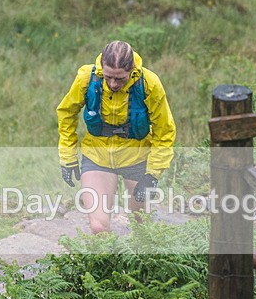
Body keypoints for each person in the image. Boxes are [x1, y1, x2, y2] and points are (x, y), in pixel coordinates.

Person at [56, 41, 176, 234]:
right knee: (98, 227)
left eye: (120, 79)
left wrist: (153, 174)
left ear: (132, 70)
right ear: (102, 66)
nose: (113, 84)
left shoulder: (149, 83)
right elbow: (66, 113)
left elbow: (165, 131)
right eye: (109, 77)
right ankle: (106, 263)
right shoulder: (87, 78)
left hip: (137, 159)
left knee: (141, 225)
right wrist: (68, 157)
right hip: (97, 156)